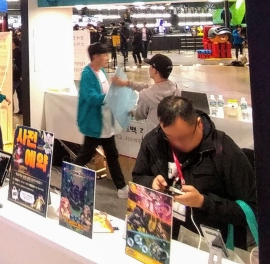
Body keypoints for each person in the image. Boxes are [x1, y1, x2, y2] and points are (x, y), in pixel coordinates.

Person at [132, 96, 256, 250]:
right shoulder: (154, 141)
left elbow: (252, 209)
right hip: (165, 238)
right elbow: (137, 178)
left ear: (199, 124)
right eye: (170, 137)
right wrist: (151, 183)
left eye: (183, 137)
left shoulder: (223, 149)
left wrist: (203, 202)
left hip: (213, 245)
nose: (177, 144)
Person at [74, 43, 128, 199]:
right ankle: (70, 177)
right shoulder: (87, 75)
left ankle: (122, 187)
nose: (107, 58)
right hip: (94, 124)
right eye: (104, 55)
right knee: (85, 155)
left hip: (105, 124)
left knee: (112, 155)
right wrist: (109, 97)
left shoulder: (102, 71)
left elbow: (106, 93)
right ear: (95, 56)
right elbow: (91, 97)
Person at [114, 54, 181, 132]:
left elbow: (139, 115)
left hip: (153, 136)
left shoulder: (146, 95)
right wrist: (128, 83)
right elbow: (150, 87)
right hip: (172, 133)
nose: (149, 68)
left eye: (150, 66)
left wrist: (130, 111)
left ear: (155, 71)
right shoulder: (176, 88)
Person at [12, 36, 23, 114]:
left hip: (15, 76)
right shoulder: (20, 51)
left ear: (13, 43)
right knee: (20, 94)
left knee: (10, 93)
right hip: (19, 76)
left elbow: (17, 65)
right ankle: (21, 109)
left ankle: (11, 110)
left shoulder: (15, 52)